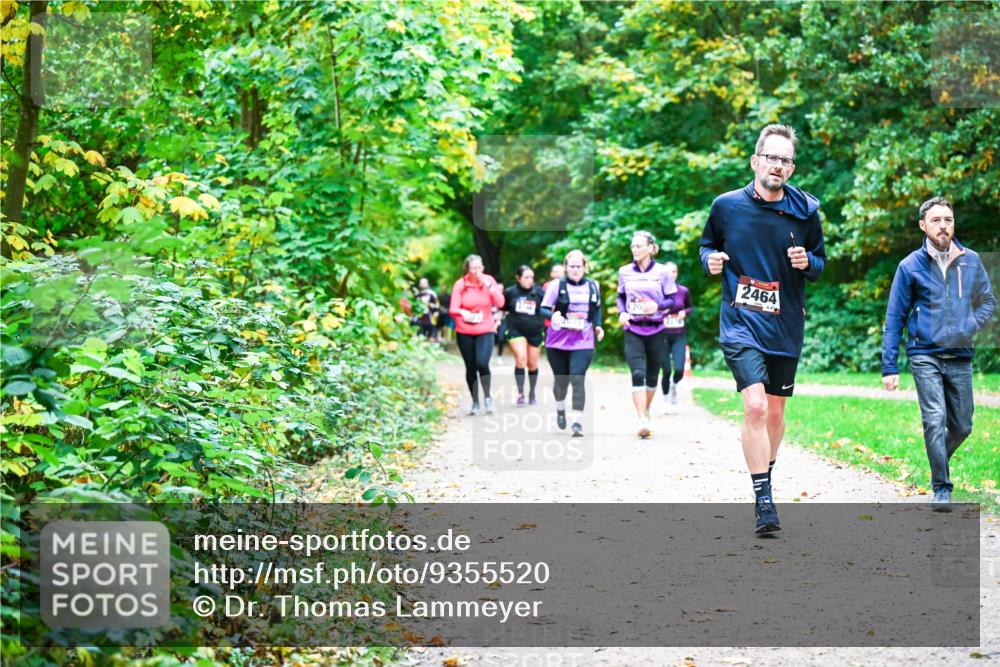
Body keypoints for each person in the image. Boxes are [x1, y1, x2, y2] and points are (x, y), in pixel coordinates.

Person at [699, 123, 826, 534]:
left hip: (785, 324)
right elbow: (707, 246)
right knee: (754, 405)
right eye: (771, 157)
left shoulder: (805, 212)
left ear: (792, 168)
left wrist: (808, 262)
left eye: (785, 160)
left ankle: (764, 474)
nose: (778, 165)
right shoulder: (726, 207)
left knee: (774, 411)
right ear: (756, 161)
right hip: (740, 322)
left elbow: (820, 264)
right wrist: (709, 261)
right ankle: (763, 499)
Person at [881, 196, 995, 511]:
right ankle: (942, 488)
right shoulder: (909, 266)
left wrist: (970, 324)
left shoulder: (971, 261)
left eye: (948, 219)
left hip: (960, 354)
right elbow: (894, 318)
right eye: (936, 220)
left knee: (963, 426)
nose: (943, 226)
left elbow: (987, 301)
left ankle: (936, 458)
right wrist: (889, 366)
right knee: (934, 419)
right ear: (923, 225)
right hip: (924, 353)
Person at [617, 231, 677, 439]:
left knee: (652, 375)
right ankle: (642, 419)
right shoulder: (624, 271)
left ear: (651, 248)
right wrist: (622, 312)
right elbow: (620, 296)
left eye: (639, 246)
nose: (634, 250)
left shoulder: (663, 272)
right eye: (632, 246)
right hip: (633, 328)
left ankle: (646, 410)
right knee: (637, 372)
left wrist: (657, 306)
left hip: (656, 329)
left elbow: (673, 301)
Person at [540, 250, 604, 436]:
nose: (575, 269)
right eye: (572, 266)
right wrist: (553, 316)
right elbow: (543, 309)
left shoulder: (593, 285)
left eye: (579, 266)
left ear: (585, 267)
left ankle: (577, 422)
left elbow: (597, 308)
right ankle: (560, 408)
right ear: (566, 268)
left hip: (583, 339)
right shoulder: (556, 285)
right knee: (561, 381)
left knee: (577, 377)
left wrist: (598, 326)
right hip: (557, 341)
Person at [449, 255, 505, 416]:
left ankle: (487, 397)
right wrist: (463, 313)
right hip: (465, 330)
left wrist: (490, 286)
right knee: (471, 366)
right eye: (474, 268)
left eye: (480, 267)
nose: (477, 271)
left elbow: (501, 303)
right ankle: (475, 401)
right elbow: (453, 309)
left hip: (485, 328)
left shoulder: (489, 281)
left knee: (482, 363)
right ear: (467, 269)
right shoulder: (460, 284)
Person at [503, 265, 547, 405]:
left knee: (532, 364)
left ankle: (532, 392)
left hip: (535, 331)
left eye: (532, 277)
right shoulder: (510, 292)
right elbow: (503, 308)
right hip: (516, 330)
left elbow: (547, 309)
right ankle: (521, 393)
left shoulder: (539, 292)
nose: (530, 280)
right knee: (521, 359)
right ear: (518, 278)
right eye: (526, 277)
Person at [660, 261, 692, 411]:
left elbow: (690, 307)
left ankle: (674, 385)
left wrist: (684, 312)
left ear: (677, 273)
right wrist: (661, 312)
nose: (671, 274)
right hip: (662, 335)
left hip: (679, 334)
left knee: (679, 369)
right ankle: (666, 401)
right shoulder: (658, 290)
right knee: (666, 370)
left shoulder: (683, 291)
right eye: (668, 271)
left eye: (674, 271)